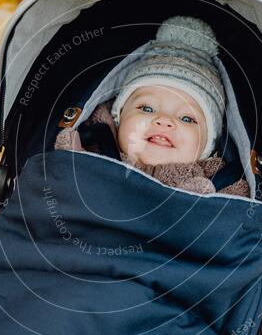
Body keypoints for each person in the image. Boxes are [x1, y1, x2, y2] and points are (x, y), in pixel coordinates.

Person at [55, 15, 249, 198]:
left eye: (187, 119)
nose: (164, 120)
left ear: (208, 144)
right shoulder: (90, 150)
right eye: (147, 109)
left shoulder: (223, 184)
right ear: (118, 117)